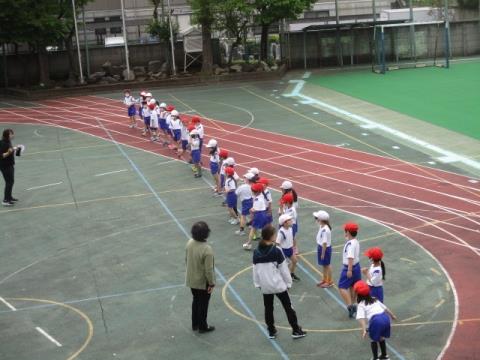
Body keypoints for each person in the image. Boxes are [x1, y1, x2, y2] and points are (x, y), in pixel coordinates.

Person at [253, 224, 307, 339]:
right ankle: (296, 330)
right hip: (278, 285)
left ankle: (271, 330)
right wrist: (288, 283)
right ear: (272, 236)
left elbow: (255, 269)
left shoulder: (256, 252)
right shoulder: (276, 250)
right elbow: (284, 269)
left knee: (268, 308)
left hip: (265, 286)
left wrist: (258, 284)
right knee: (288, 307)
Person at [185, 221, 216, 333]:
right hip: (202, 282)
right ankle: (203, 326)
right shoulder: (207, 249)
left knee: (196, 300)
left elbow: (186, 260)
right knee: (203, 303)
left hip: (191, 278)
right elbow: (209, 270)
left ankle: (195, 324)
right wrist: (211, 283)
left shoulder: (189, 243)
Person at [354, 280, 397, 360]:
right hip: (385, 318)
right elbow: (385, 308)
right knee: (381, 337)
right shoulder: (374, 299)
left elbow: (361, 318)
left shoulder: (361, 305)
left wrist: (364, 329)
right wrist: (392, 315)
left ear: (358, 294)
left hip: (376, 321)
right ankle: (384, 356)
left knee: (373, 339)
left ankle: (375, 358)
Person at [338, 222, 361, 318]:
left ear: (348, 232)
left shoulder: (350, 244)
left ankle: (349, 306)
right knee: (353, 286)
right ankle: (354, 303)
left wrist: (349, 270)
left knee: (341, 287)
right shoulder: (355, 241)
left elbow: (350, 257)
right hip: (357, 267)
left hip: (349, 267)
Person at [243, 183, 267, 250]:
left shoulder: (257, 200)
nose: (252, 191)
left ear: (257, 192)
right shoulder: (261, 195)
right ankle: (267, 243)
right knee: (264, 229)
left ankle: (248, 243)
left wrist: (250, 210)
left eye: (253, 191)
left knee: (253, 229)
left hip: (259, 215)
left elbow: (254, 210)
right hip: (263, 214)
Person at [276, 214, 300, 281]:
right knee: (283, 266)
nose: (291, 221)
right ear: (284, 223)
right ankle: (280, 279)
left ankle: (291, 274)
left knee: (295, 261)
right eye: (289, 220)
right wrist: (279, 253)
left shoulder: (290, 229)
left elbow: (291, 238)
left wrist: (293, 247)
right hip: (283, 251)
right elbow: (277, 243)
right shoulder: (281, 232)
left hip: (290, 249)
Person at [314, 210, 333, 288]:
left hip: (324, 248)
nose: (316, 219)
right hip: (321, 247)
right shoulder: (322, 226)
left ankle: (330, 281)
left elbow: (324, 243)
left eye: (317, 218)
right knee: (324, 265)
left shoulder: (325, 230)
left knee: (327, 265)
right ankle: (325, 279)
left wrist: (322, 253)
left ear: (321, 220)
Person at [0, 129, 17, 206]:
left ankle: (9, 197)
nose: (13, 135)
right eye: (11, 134)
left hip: (10, 164)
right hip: (5, 166)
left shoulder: (8, 142)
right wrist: (9, 152)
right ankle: (5, 200)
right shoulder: (3, 143)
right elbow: (1, 156)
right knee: (9, 182)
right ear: (7, 135)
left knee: (11, 181)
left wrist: (15, 149)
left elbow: (10, 151)